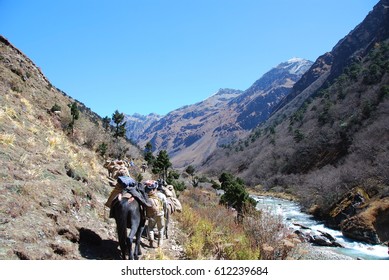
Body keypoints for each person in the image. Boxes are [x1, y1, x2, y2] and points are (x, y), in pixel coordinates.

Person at [144, 180, 166, 248]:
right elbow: (165, 204)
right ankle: (159, 244)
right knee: (161, 229)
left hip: (152, 216)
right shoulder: (161, 195)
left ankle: (151, 240)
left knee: (150, 228)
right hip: (161, 214)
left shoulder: (147, 197)